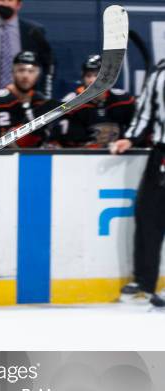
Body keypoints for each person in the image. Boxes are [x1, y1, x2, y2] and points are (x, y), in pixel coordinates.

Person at [111, 59, 165, 309]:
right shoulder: (160, 69)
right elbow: (145, 110)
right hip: (161, 154)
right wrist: (130, 138)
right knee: (147, 216)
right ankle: (144, 282)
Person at [54, 55, 135, 148]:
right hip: (80, 157)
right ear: (83, 78)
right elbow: (60, 138)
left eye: (97, 75)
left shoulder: (125, 101)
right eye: (89, 76)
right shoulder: (69, 103)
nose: (93, 80)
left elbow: (136, 132)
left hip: (119, 155)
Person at [0, 51, 58, 148]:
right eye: (21, 70)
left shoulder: (41, 102)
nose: (25, 76)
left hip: (33, 159)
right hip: (1, 159)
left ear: (38, 74)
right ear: (13, 72)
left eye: (31, 71)